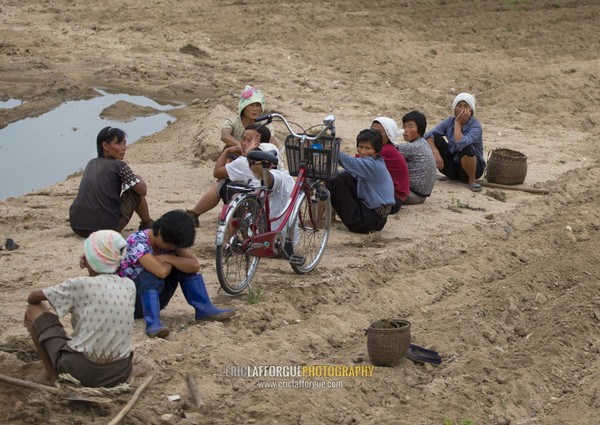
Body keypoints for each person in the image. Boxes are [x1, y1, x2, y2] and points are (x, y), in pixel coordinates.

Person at [24, 230, 137, 388]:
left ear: (89, 260)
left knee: (33, 309)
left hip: (80, 370)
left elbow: (33, 297)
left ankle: (51, 375)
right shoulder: (129, 285)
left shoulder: (79, 284)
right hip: (120, 372)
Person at [119, 210, 235, 338]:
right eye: (170, 246)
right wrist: (173, 258)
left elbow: (194, 265)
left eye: (175, 247)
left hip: (156, 298)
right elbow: (161, 272)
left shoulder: (171, 242)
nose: (172, 248)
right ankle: (152, 324)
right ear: (160, 232)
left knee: (184, 267)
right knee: (152, 274)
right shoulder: (136, 241)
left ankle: (204, 310)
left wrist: (169, 258)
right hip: (132, 303)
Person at [186, 124, 284, 228]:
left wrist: (227, 151)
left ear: (258, 142)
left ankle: (194, 213)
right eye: (243, 139)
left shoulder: (243, 162)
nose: (244, 143)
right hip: (277, 201)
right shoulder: (273, 149)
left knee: (222, 183)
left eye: (249, 140)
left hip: (257, 203)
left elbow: (217, 173)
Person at [69, 126, 154, 238]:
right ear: (105, 146)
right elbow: (142, 191)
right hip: (106, 229)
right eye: (119, 144)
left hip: (77, 227)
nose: (124, 148)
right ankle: (147, 224)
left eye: (124, 144)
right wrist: (138, 178)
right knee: (134, 191)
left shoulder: (91, 163)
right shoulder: (119, 166)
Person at [325, 129, 395, 234]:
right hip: (374, 218)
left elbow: (349, 162)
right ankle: (331, 216)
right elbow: (346, 172)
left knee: (333, 181)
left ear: (376, 151)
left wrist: (331, 149)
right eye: (360, 147)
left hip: (369, 220)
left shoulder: (372, 165)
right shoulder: (372, 163)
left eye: (368, 148)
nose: (362, 152)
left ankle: (317, 221)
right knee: (343, 177)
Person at [424, 93, 485, 192]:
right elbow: (428, 135)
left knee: (467, 147)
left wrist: (458, 123)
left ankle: (472, 180)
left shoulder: (476, 126)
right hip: (452, 167)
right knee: (436, 139)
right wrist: (436, 152)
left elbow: (461, 143)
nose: (462, 109)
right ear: (454, 109)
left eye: (466, 106)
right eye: (459, 106)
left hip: (471, 170)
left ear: (471, 110)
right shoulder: (449, 122)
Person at [370, 117, 410, 213]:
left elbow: (358, 163)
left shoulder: (386, 150)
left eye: (379, 132)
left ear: (388, 135)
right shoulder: (381, 147)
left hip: (392, 200)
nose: (374, 135)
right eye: (372, 131)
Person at [221, 85, 280, 150]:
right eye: (251, 105)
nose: (255, 109)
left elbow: (273, 142)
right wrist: (241, 146)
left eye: (258, 106)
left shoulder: (265, 124)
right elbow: (225, 136)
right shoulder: (233, 121)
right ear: (243, 107)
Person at [397, 110, 437, 204]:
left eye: (410, 126)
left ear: (420, 129)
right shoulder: (423, 143)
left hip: (412, 194)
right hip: (421, 195)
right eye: (404, 126)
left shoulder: (411, 146)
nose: (405, 130)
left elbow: (384, 153)